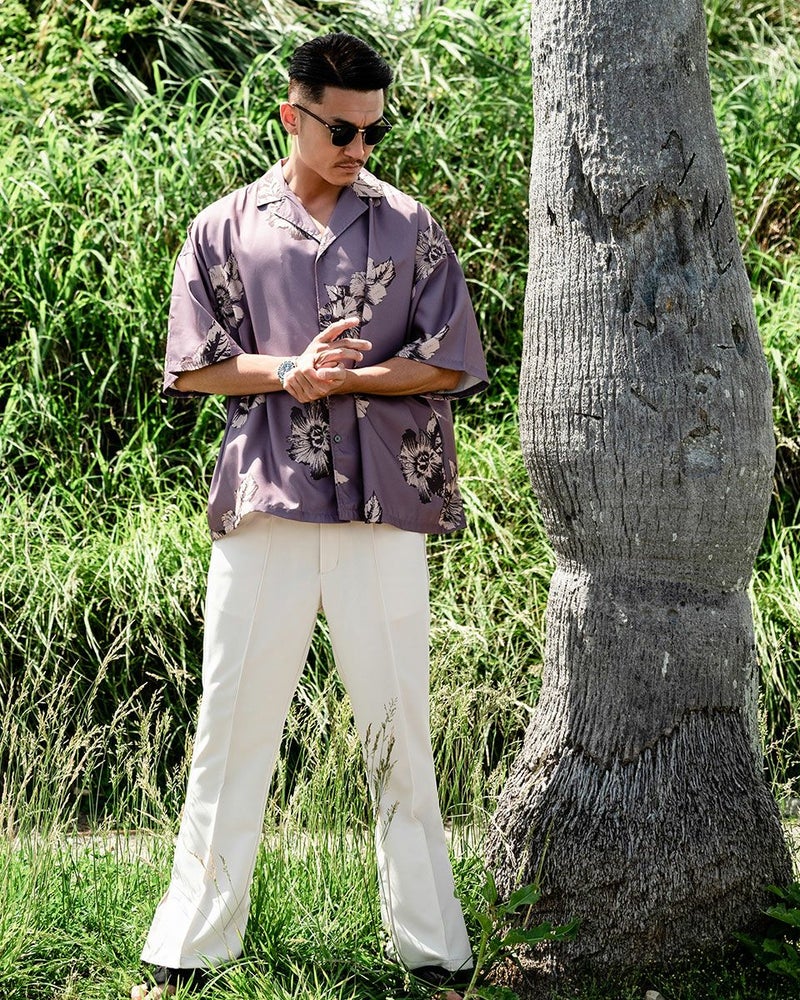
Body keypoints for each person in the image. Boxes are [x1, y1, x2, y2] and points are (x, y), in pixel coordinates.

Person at [132, 30, 488, 1000]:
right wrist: (288, 371)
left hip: (383, 509)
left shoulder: (409, 226)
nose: (359, 149)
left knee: (398, 729)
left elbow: (452, 361)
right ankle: (189, 947)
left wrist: (349, 378)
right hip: (268, 506)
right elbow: (192, 365)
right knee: (231, 725)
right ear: (293, 115)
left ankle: (433, 950)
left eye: (374, 132)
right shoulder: (224, 228)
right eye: (341, 130)